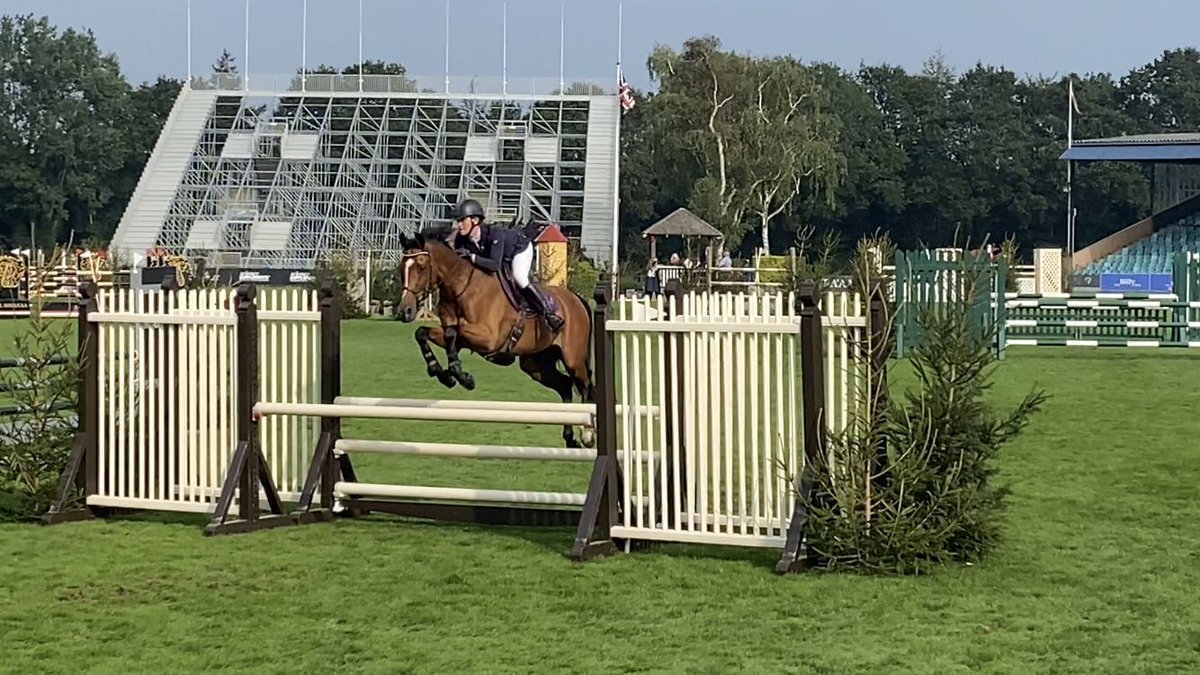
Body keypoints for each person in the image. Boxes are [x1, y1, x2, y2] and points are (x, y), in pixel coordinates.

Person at [447, 198, 564, 332]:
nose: (459, 225)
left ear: (475, 220)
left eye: (462, 220)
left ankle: (548, 312)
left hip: (519, 250)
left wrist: (472, 257)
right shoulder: (462, 240)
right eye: (458, 221)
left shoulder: (494, 233)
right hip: (501, 258)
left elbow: (494, 265)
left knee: (520, 277)